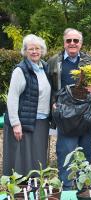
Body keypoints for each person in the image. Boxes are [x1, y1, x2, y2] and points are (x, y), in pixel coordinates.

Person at [47, 28, 91, 190]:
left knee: (86, 153)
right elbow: (48, 86)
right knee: (66, 154)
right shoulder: (54, 61)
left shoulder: (90, 60)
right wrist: (53, 103)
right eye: (69, 41)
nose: (72, 43)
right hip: (65, 115)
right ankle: (67, 189)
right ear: (64, 43)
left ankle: (84, 189)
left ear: (81, 43)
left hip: (85, 114)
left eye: (76, 40)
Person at [3, 34, 51, 176]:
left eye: (37, 48)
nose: (34, 51)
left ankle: (36, 186)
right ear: (25, 51)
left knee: (37, 158)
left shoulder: (44, 67)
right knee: (22, 161)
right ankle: (21, 192)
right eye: (31, 49)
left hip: (41, 121)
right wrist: (15, 123)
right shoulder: (20, 70)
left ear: (42, 50)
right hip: (24, 122)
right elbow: (12, 98)